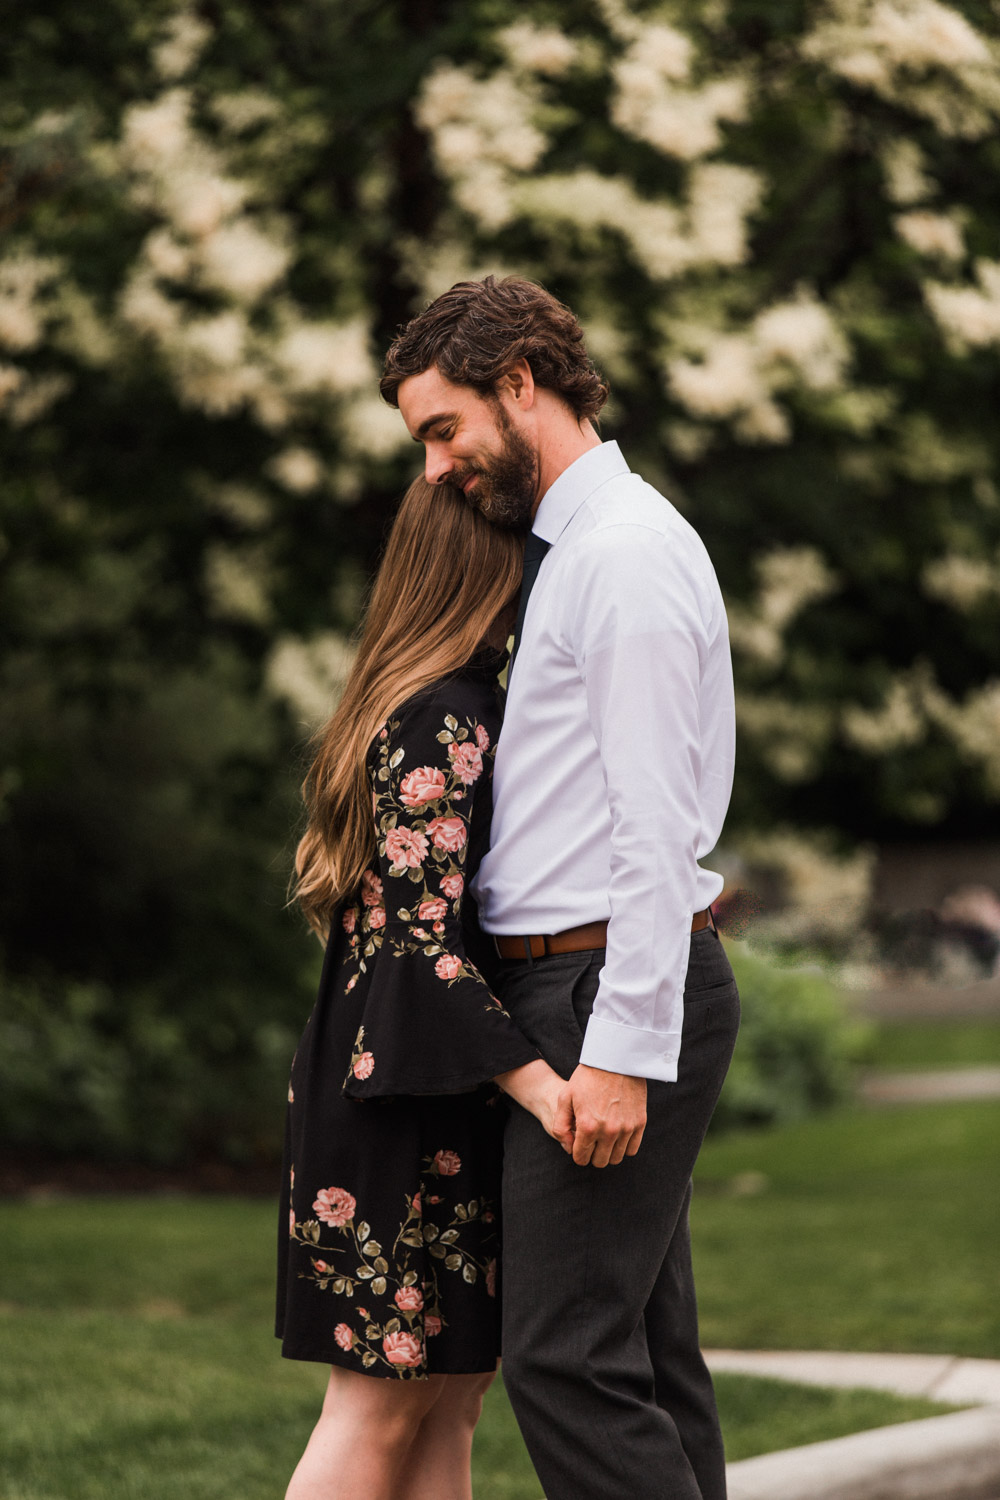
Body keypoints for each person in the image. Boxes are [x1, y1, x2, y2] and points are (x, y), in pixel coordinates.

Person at [381, 275, 741, 1500]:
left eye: (443, 429)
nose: (434, 469)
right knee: (639, 1350)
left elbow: (651, 829)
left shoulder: (624, 555)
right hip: (586, 985)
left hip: (604, 994)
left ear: (519, 383)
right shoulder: (584, 550)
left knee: (566, 1361)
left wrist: (625, 1049)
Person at [275, 475, 572, 1500]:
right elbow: (418, 944)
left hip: (422, 1090)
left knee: (452, 1393)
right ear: (489, 565)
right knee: (380, 1402)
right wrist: (543, 1087)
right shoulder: (444, 713)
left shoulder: (433, 699)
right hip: (396, 1102)